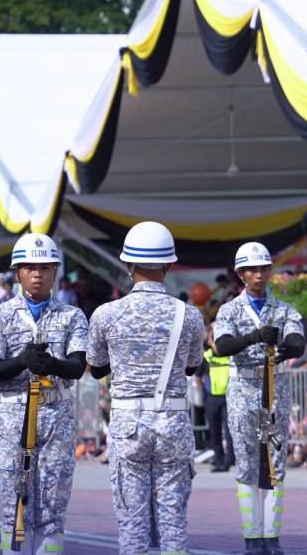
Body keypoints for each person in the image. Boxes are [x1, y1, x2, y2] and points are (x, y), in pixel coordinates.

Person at [87, 222, 206, 555]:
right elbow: (192, 366)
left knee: (132, 523)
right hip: (173, 421)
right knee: (173, 522)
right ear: (169, 265)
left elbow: (97, 367)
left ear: (128, 264)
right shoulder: (189, 315)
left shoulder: (106, 314)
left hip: (128, 424)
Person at [0, 236, 86, 553]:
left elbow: (77, 366)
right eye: (29, 268)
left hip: (56, 416)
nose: (37, 274)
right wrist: (22, 361)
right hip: (15, 414)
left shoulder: (72, 316)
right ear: (17, 272)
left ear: (55, 271)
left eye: (45, 268)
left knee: (52, 505)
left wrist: (53, 364)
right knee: (15, 503)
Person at [212, 242, 307, 554]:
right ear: (240, 274)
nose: (258, 275)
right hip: (243, 390)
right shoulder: (229, 310)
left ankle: (272, 536)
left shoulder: (284, 310)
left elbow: (297, 339)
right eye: (251, 270)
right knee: (247, 464)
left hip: (274, 390)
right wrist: (253, 337)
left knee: (275, 463)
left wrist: (290, 346)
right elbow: (223, 346)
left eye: (263, 269)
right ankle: (252, 537)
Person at [200, 324, 234, 473]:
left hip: (228, 398)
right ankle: (218, 458)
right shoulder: (207, 356)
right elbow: (198, 375)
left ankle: (229, 459)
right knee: (214, 430)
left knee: (229, 431)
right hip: (212, 398)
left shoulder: (230, 354)